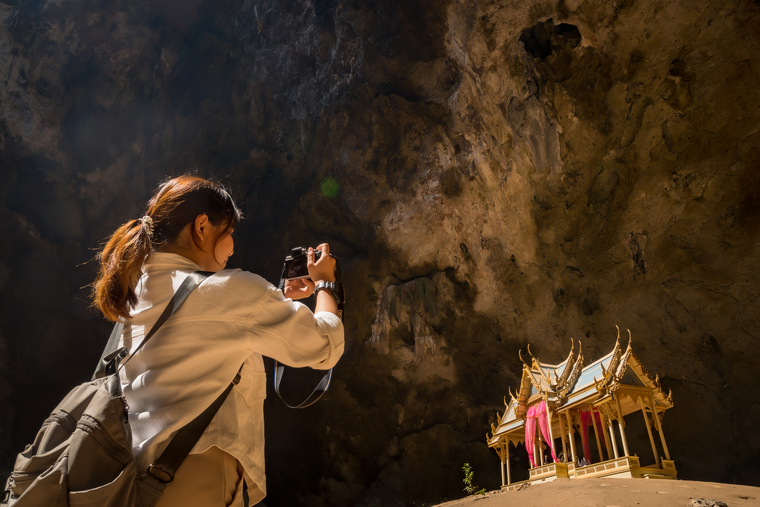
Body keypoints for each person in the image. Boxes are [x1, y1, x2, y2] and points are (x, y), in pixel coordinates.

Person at [91, 175, 344, 506]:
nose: (233, 248)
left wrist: (276, 300)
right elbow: (323, 345)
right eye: (230, 234)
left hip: (134, 483)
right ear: (201, 227)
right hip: (195, 482)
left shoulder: (134, 295)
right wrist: (325, 285)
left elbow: (208, 330)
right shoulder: (230, 292)